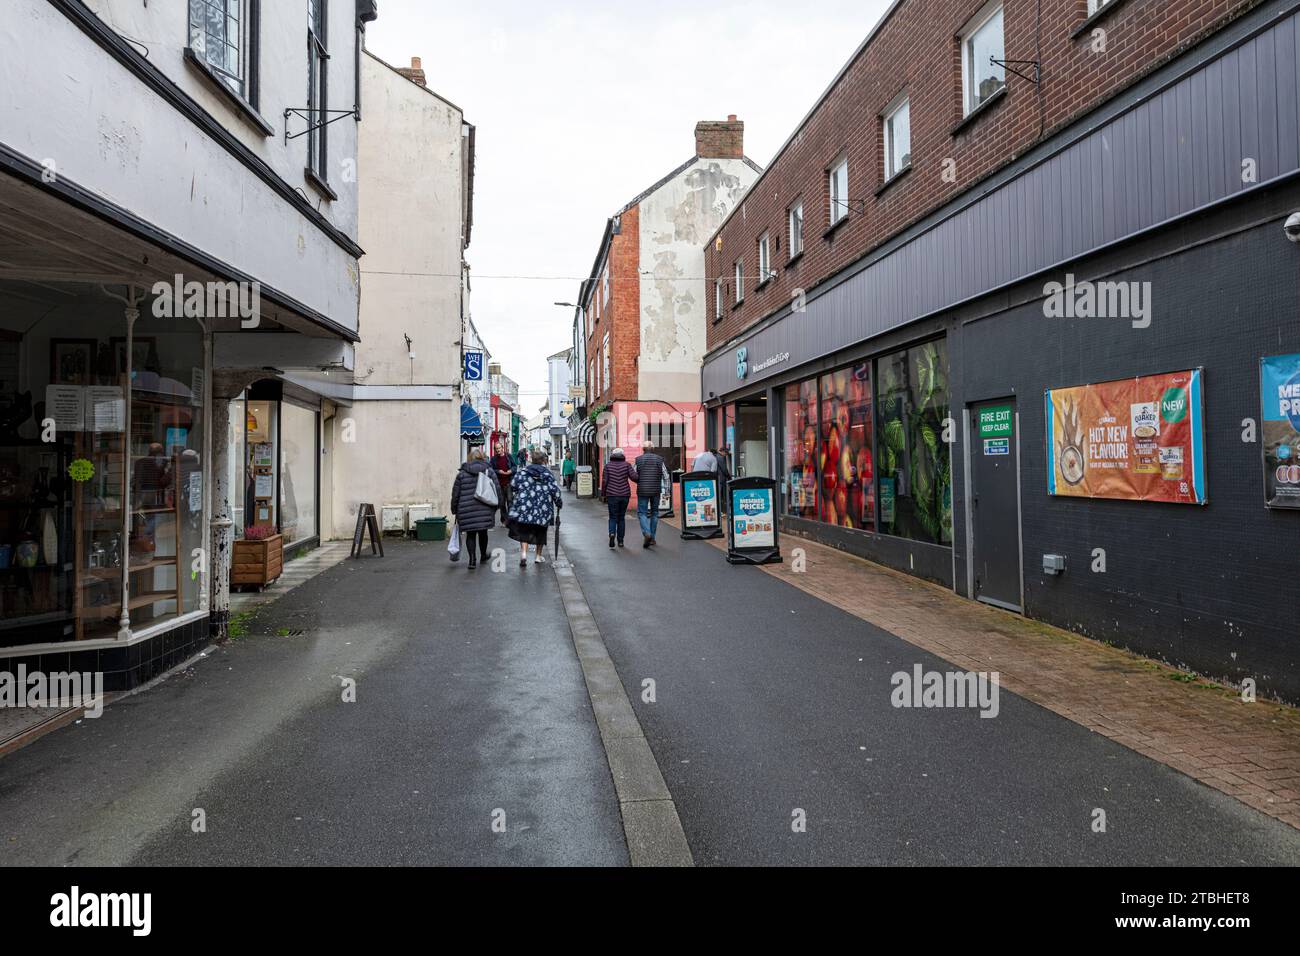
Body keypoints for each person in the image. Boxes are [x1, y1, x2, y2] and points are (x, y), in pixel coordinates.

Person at [449, 448, 503, 570]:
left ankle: (472, 560)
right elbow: (497, 489)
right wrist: (499, 504)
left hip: (466, 509)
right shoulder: (489, 471)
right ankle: (483, 555)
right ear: (483, 457)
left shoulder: (462, 474)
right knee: (483, 532)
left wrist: (454, 509)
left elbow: (455, 494)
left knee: (471, 534)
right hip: (484, 508)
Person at [508, 449, 561, 568]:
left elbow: (513, 485)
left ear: (532, 460)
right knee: (541, 531)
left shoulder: (523, 472)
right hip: (543, 508)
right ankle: (538, 556)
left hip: (525, 507)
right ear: (543, 461)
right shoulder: (548, 474)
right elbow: (555, 491)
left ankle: (524, 554)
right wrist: (558, 503)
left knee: (524, 531)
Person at [632, 442, 670, 548]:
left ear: (643, 449)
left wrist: (640, 481)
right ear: (653, 448)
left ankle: (646, 533)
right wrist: (667, 491)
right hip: (655, 490)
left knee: (642, 513)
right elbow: (666, 476)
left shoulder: (638, 459)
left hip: (642, 490)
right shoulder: (659, 459)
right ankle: (652, 538)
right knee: (654, 513)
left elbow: (633, 474)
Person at [599, 447, 636, 549]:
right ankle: (620, 541)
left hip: (612, 495)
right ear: (622, 455)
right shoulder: (627, 465)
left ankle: (611, 534)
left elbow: (604, 481)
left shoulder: (607, 466)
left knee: (613, 517)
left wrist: (603, 494)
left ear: (612, 455)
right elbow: (634, 477)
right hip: (624, 495)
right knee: (621, 518)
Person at [490, 442, 514, 513]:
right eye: (496, 449)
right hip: (499, 484)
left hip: (508, 483)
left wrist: (511, 470)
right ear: (495, 450)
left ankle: (510, 520)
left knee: (510, 502)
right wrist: (498, 471)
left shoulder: (509, 456)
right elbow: (491, 470)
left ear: (502, 448)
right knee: (502, 503)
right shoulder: (493, 459)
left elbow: (515, 467)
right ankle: (504, 519)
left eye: (499, 448)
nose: (498, 450)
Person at [715, 447, 733, 517]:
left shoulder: (716, 456)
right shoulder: (720, 458)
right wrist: (729, 477)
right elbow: (724, 469)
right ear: (723, 452)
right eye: (726, 453)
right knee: (720, 495)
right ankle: (720, 511)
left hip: (718, 478)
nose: (726, 455)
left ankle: (720, 511)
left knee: (720, 495)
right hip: (721, 479)